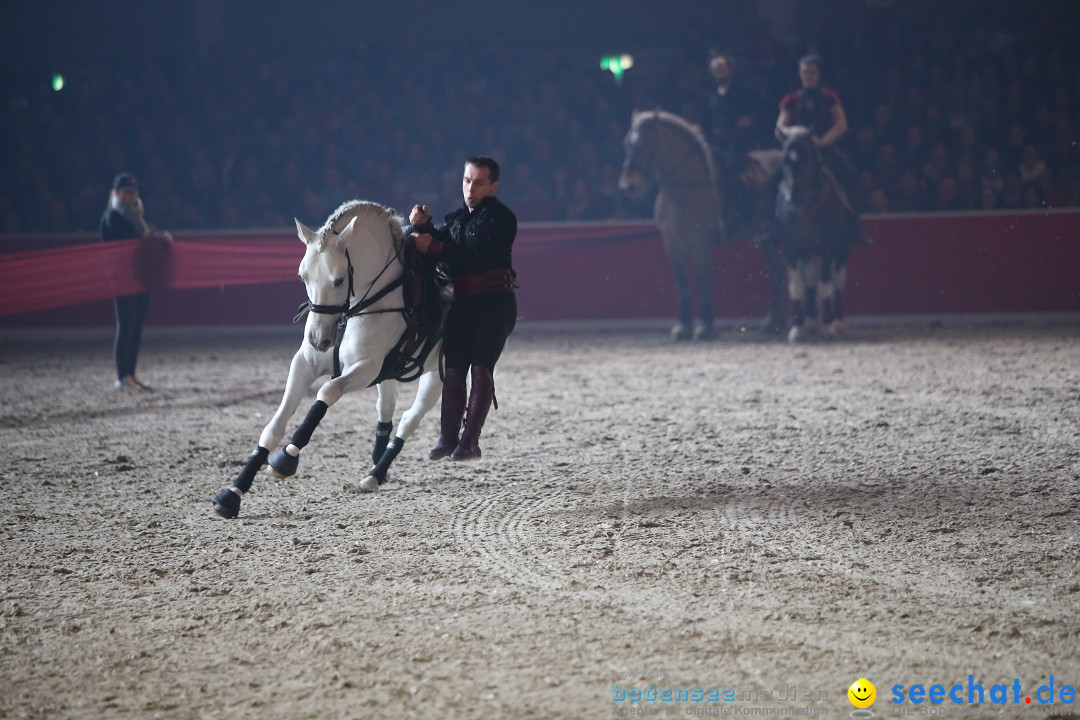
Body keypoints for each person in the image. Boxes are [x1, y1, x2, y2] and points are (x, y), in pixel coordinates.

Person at [407, 157, 517, 461]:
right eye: (467, 180)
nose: (471, 187)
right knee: (453, 369)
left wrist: (434, 245)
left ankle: (470, 440)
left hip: (495, 302)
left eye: (479, 182)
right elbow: (439, 245)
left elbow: (475, 253)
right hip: (464, 303)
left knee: (481, 368)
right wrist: (422, 226)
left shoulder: (502, 218)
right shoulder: (455, 219)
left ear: (493, 186)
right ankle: (448, 436)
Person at [775, 53, 862, 237]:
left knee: (849, 175)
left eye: (812, 72)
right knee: (770, 183)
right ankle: (772, 226)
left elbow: (842, 124)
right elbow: (780, 126)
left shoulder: (829, 97)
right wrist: (797, 133)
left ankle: (854, 225)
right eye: (805, 72)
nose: (808, 76)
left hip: (824, 150)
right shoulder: (791, 99)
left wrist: (822, 142)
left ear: (819, 74)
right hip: (797, 154)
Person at [100, 173, 173, 391]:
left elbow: (147, 233)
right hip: (124, 277)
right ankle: (123, 375)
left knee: (136, 326)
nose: (131, 196)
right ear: (117, 193)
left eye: (133, 192)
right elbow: (122, 246)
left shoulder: (138, 213)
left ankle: (131, 373)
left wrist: (160, 238)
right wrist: (148, 240)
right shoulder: (113, 216)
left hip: (142, 275)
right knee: (126, 325)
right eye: (127, 192)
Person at [704, 53, 773, 238]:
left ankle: (737, 215)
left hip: (737, 144)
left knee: (732, 171)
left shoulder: (743, 91)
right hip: (715, 143)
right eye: (716, 69)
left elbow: (762, 110)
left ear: (730, 70)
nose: (720, 72)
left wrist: (750, 119)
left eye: (722, 68)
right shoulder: (710, 94)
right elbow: (707, 121)